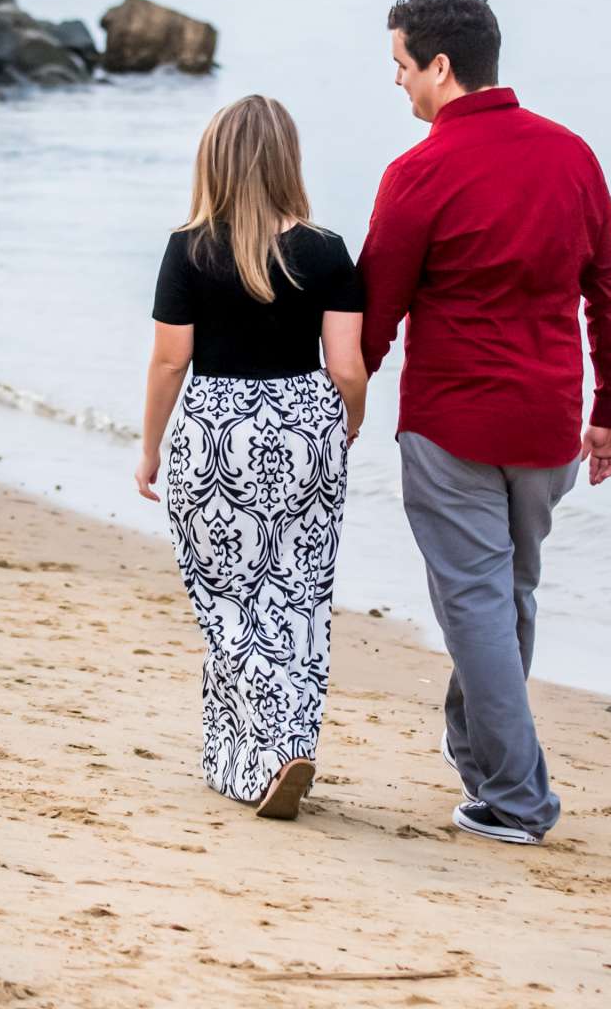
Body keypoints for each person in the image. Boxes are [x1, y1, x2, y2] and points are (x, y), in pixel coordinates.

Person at [358, 0, 611, 846]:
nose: (398, 84)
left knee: (479, 605)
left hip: (455, 427)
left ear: (441, 67)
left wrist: (340, 401)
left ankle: (520, 801)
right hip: (549, 425)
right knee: (505, 597)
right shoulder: (571, 155)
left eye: (402, 67)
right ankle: (479, 755)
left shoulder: (418, 173)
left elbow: (376, 312)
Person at [136, 95, 368, 820]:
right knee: (296, 596)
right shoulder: (328, 250)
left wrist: (150, 449)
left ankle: (266, 748)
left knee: (228, 598)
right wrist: (346, 427)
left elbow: (170, 362)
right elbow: (348, 368)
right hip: (304, 430)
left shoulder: (190, 247)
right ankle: (261, 749)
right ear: (287, 160)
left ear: (214, 160)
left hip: (217, 434)